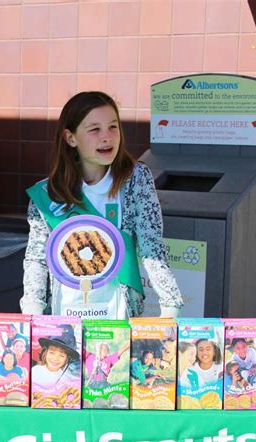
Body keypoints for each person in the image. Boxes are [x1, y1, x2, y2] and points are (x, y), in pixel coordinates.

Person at [20, 91, 183, 319]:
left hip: (119, 313)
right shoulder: (48, 193)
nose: (107, 137)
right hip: (65, 313)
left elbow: (151, 246)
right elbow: (37, 258)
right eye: (95, 129)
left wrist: (170, 305)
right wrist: (32, 311)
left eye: (113, 127)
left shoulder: (136, 179)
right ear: (71, 138)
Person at [32, 324, 79, 391]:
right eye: (52, 353)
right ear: (45, 352)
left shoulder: (67, 380)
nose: (55, 358)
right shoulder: (35, 371)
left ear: (68, 359)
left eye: (62, 355)